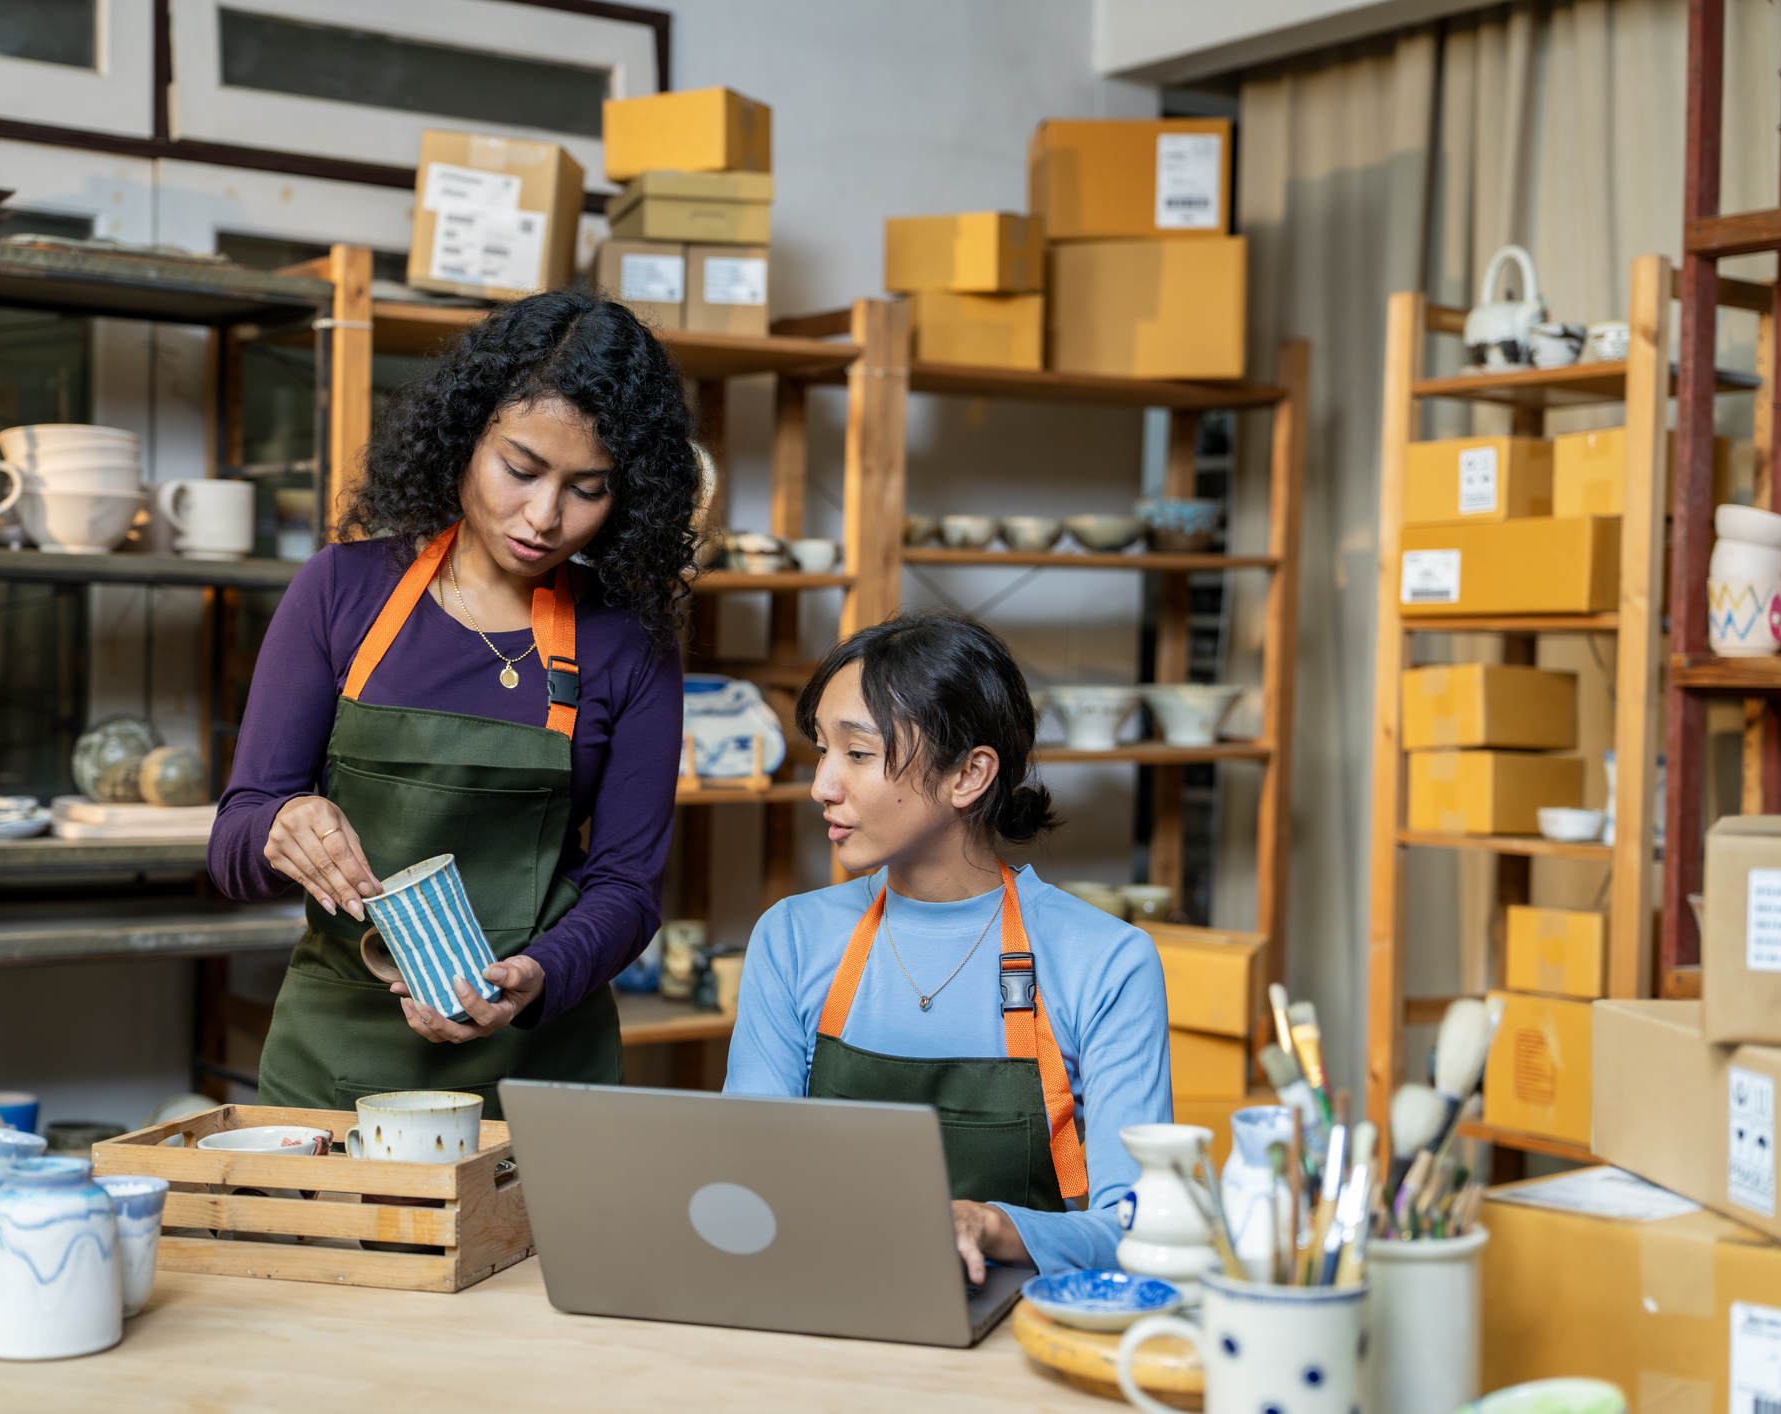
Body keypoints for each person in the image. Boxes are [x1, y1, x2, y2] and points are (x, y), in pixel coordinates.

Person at [210, 290, 698, 1115]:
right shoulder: (340, 592)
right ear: (465, 436)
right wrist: (278, 823)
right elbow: (233, 844)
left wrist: (538, 976)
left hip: (539, 1065)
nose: (544, 517)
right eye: (521, 470)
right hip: (337, 1058)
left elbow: (627, 885)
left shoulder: (628, 640)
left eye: (587, 488)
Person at [724, 612, 1172, 1278]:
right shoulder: (790, 937)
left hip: (1017, 1313)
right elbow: (747, 1182)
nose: (821, 785)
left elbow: (1136, 1226)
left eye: (857, 753)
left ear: (968, 775)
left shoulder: (1106, 961)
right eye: (821, 749)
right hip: (818, 1291)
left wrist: (988, 1225)